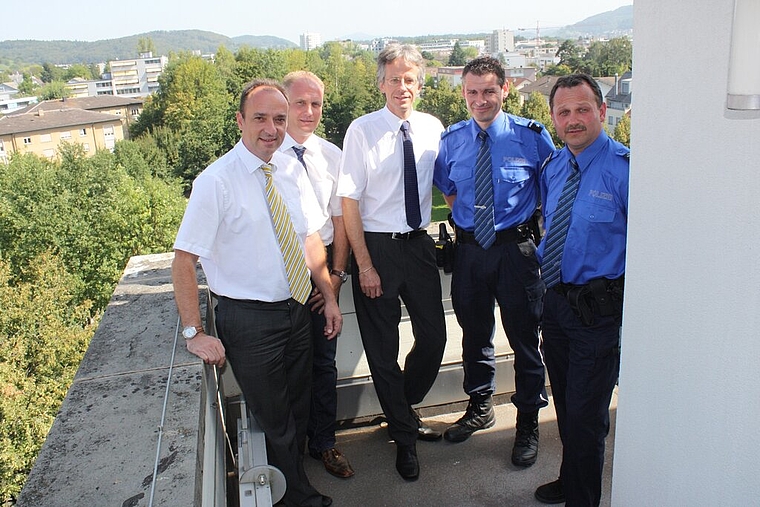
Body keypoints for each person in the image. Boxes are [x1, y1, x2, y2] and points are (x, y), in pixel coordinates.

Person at [171, 79, 341, 507]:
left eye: (279, 119)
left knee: (298, 408)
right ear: (240, 121)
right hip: (249, 320)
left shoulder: (286, 170)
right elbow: (183, 261)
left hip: (297, 309)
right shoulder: (216, 181)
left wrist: (330, 295)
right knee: (276, 418)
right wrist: (194, 333)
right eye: (261, 118)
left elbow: (307, 239)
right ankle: (296, 497)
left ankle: (291, 480)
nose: (272, 128)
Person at [433, 56, 553, 468]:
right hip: (469, 254)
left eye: (488, 91)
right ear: (463, 93)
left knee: (524, 339)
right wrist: (471, 226)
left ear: (505, 90)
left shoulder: (532, 137)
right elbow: (450, 191)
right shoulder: (452, 140)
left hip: (515, 253)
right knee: (474, 333)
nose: (480, 100)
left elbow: (552, 193)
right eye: (472, 92)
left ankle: (527, 423)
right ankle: (480, 406)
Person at [337, 44, 447, 482]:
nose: (402, 87)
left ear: (419, 84)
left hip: (419, 247)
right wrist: (363, 265)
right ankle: (404, 437)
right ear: (381, 82)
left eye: (410, 79)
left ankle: (400, 405)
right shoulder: (361, 131)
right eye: (394, 78)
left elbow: (450, 183)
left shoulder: (433, 127)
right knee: (383, 352)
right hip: (377, 248)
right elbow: (349, 202)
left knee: (434, 337)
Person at [533, 74, 629, 506]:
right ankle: (571, 478)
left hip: (598, 313)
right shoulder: (554, 167)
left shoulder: (626, 171)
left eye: (582, 109)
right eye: (563, 111)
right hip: (556, 305)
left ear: (602, 111)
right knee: (568, 408)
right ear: (553, 117)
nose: (573, 120)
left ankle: (582, 498)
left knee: (588, 419)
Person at [279, 71, 354, 479]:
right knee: (290, 365)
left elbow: (340, 221)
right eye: (300, 103)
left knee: (324, 362)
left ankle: (324, 443)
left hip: (323, 266)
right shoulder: (267, 155)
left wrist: (336, 279)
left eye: (316, 104)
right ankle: (290, 453)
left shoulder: (332, 155)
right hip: (280, 271)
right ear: (283, 104)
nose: (309, 113)